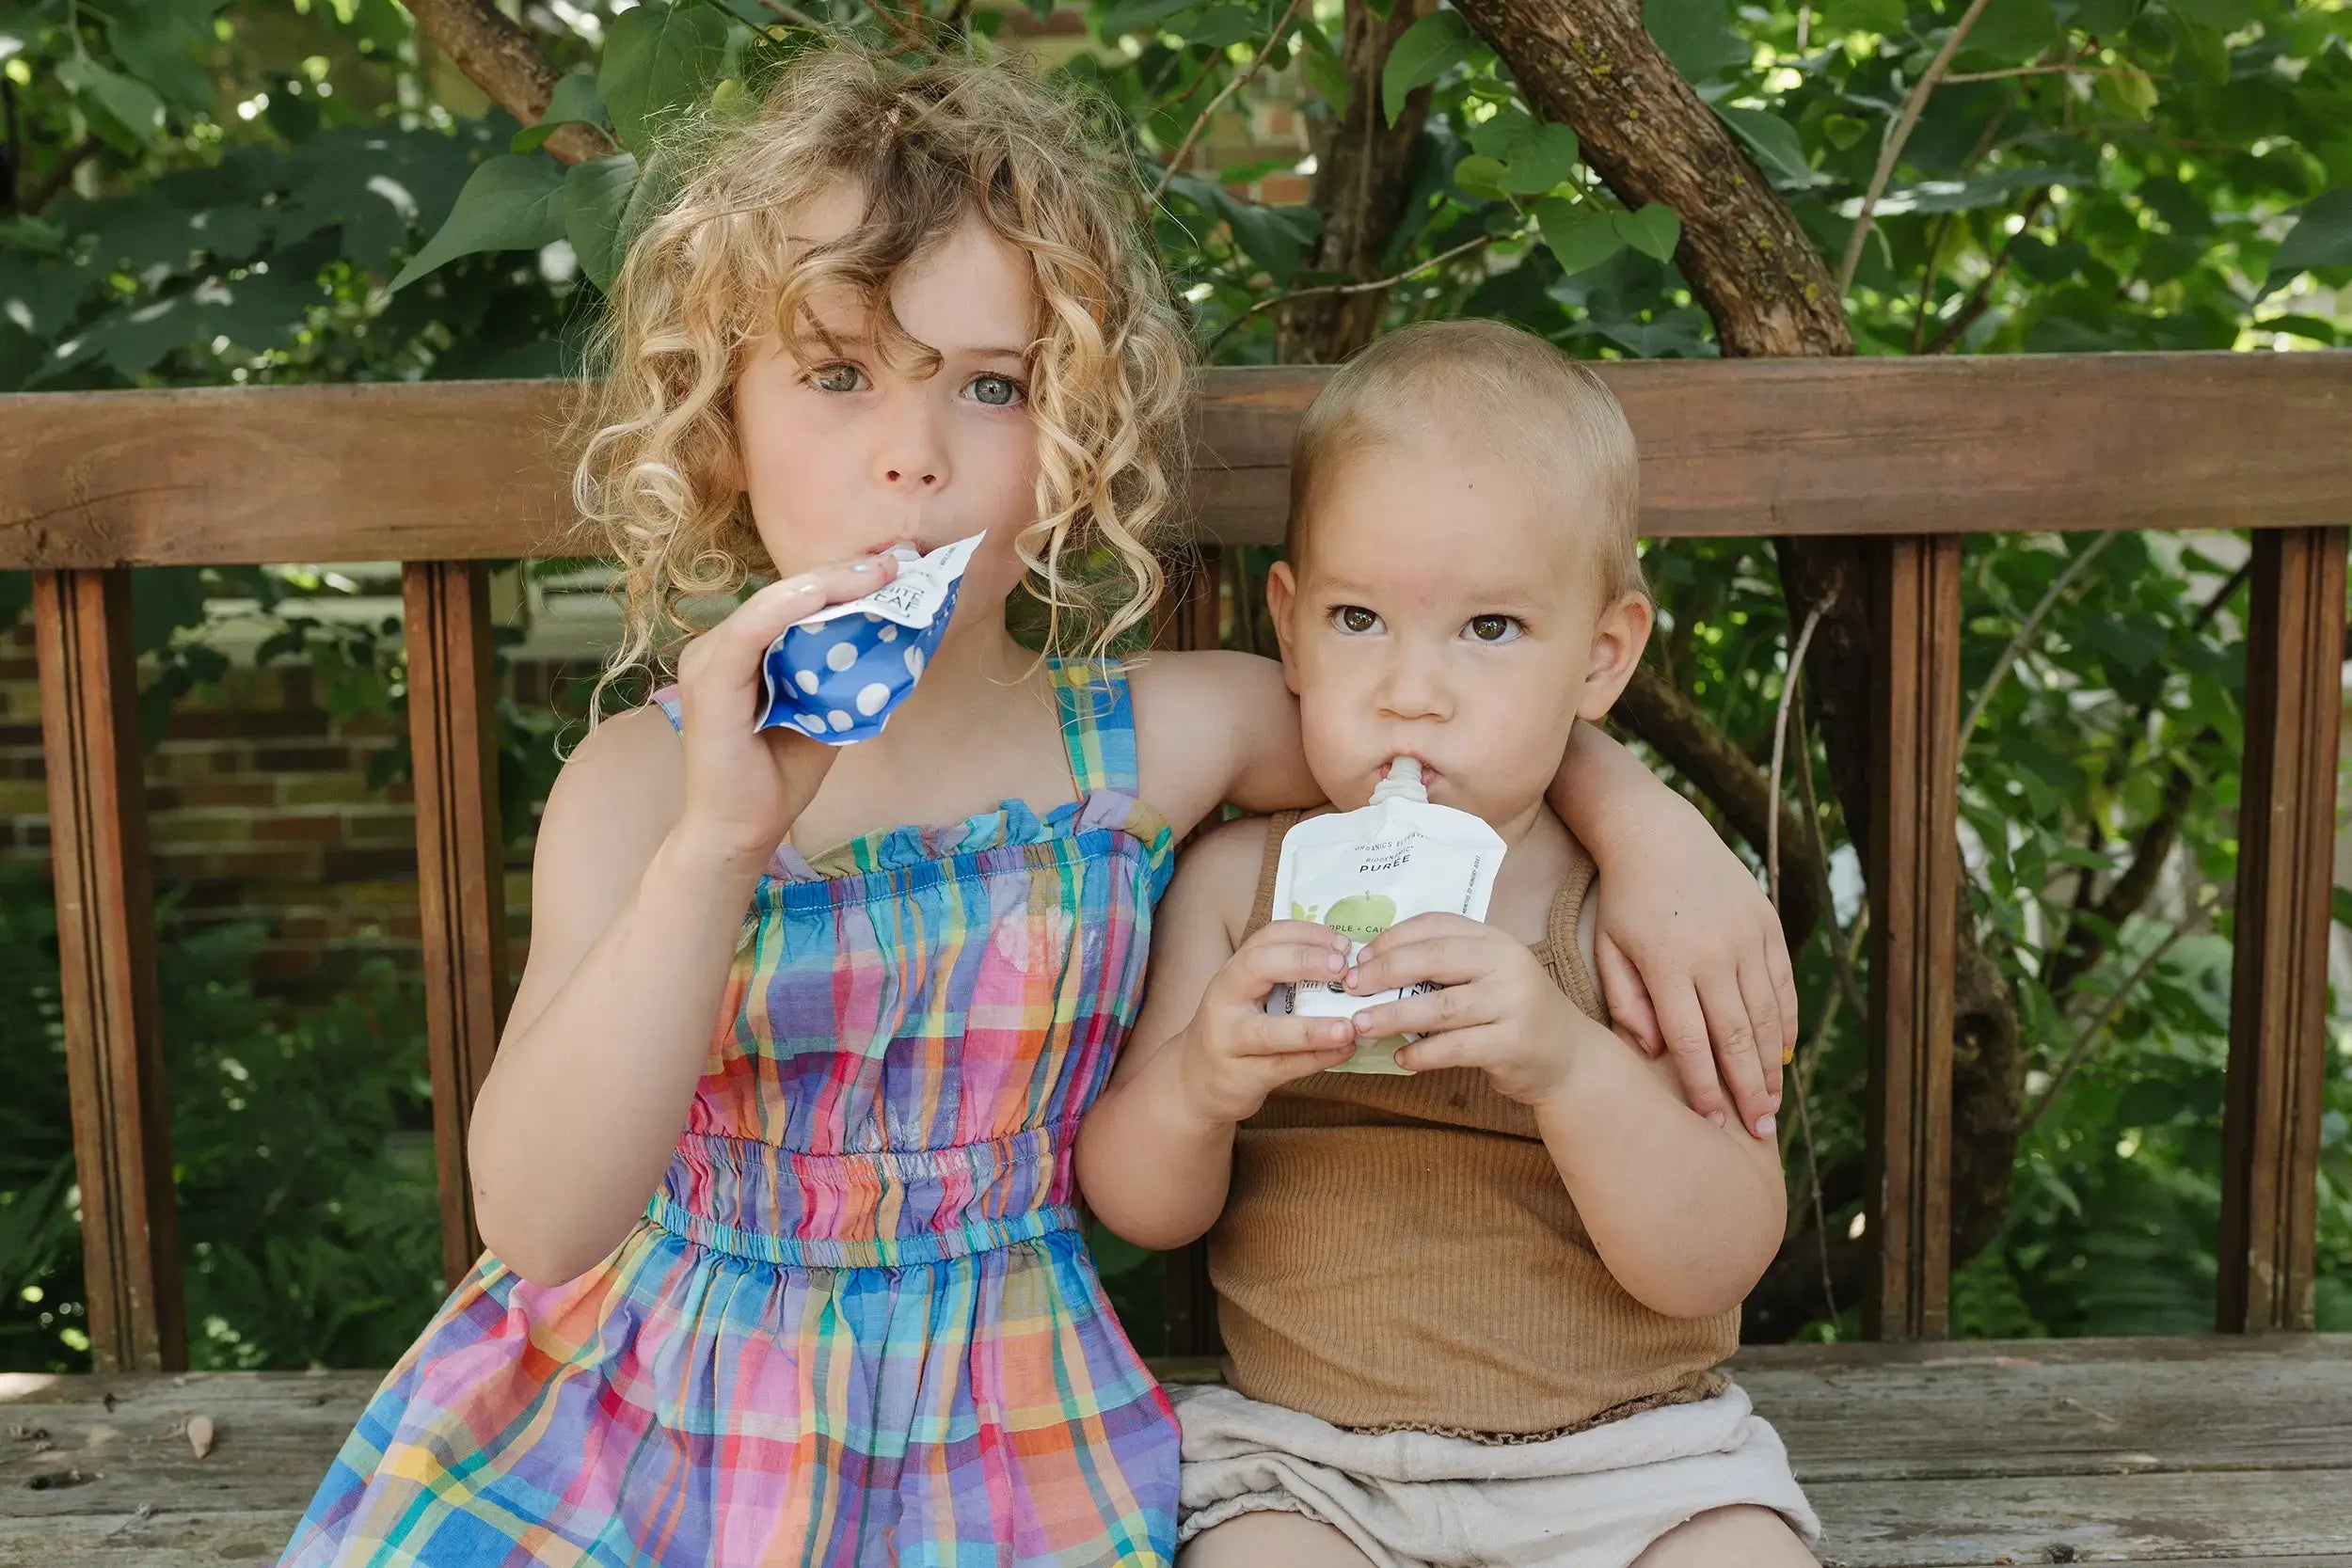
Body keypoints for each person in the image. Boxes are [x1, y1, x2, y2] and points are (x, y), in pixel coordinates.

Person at [280, 52, 1794, 1568]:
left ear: (1074, 428)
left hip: (996, 1424)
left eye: (991, 386)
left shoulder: (1151, 737)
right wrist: (719, 847)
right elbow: (542, 1223)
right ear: (722, 417)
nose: (913, 453)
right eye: (837, 372)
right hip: (659, 1421)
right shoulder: (641, 784)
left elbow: (1420, 725)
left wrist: (1648, 828)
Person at [1077, 321, 1820, 1568]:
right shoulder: (1237, 888)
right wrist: (1202, 1083)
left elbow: (1719, 1258)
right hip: (1314, 1468)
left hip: (1637, 1466)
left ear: (1602, 658)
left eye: (1489, 629)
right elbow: (1139, 1206)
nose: (1411, 691)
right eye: (1359, 617)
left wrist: (1567, 1067)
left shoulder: (1635, 917)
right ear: (1291, 627)